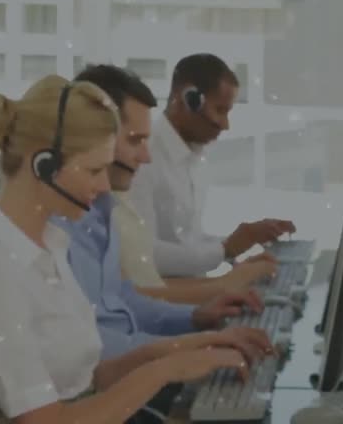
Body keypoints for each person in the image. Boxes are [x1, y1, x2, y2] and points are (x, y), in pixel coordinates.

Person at [0, 75, 263, 424]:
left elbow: (93, 378)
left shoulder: (49, 243)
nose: (104, 186)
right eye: (94, 170)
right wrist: (165, 370)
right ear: (43, 165)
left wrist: (198, 346)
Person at [72, 63, 277, 306]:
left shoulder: (116, 196)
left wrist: (228, 272)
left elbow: (136, 291)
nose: (226, 124)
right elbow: (136, 290)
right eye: (220, 110)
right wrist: (224, 268)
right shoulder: (92, 210)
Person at [128, 53, 296, 278]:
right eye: (220, 110)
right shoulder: (143, 158)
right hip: (163, 294)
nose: (225, 125)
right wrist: (225, 249)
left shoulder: (194, 157)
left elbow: (189, 242)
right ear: (188, 99)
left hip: (193, 288)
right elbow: (144, 253)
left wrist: (242, 243)